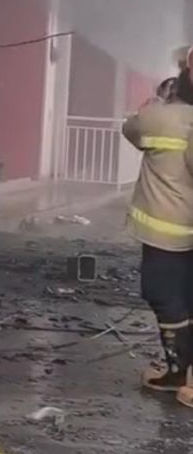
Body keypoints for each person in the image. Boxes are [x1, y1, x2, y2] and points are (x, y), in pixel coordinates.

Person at [123, 66, 193, 407]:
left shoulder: (159, 117)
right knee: (179, 300)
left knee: (166, 297)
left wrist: (154, 104)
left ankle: (181, 374)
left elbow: (131, 128)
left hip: (167, 234)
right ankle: (180, 373)